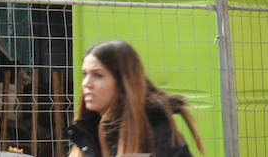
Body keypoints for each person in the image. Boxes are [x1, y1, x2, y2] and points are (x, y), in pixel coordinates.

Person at [67, 40, 203, 157]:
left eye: (98, 75)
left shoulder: (157, 135)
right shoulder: (88, 131)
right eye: (85, 74)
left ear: (123, 82)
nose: (86, 83)